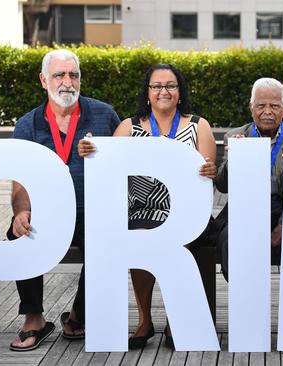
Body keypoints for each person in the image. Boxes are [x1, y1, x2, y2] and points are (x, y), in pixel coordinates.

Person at [79, 63, 217, 349]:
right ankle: (145, 319)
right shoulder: (129, 127)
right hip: (139, 210)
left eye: (170, 85)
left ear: (180, 92)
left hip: (185, 214)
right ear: (148, 92)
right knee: (138, 234)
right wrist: (91, 150)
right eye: (156, 86)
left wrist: (209, 170)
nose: (163, 91)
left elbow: (208, 173)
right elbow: (108, 164)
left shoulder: (198, 125)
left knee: (172, 238)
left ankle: (174, 320)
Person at [8, 49, 121, 351]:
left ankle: (77, 315)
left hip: (91, 212)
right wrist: (22, 211)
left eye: (74, 75)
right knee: (16, 231)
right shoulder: (27, 124)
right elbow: (20, 182)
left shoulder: (104, 114)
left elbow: (125, 162)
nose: (67, 82)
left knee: (108, 238)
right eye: (59, 75)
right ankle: (34, 318)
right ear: (44, 80)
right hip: (48, 214)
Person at [214, 77, 283, 280]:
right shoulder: (236, 136)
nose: (267, 112)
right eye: (260, 105)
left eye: (274, 106)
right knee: (230, 239)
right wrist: (236, 158)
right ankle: (242, 294)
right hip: (244, 209)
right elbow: (222, 186)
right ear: (251, 108)